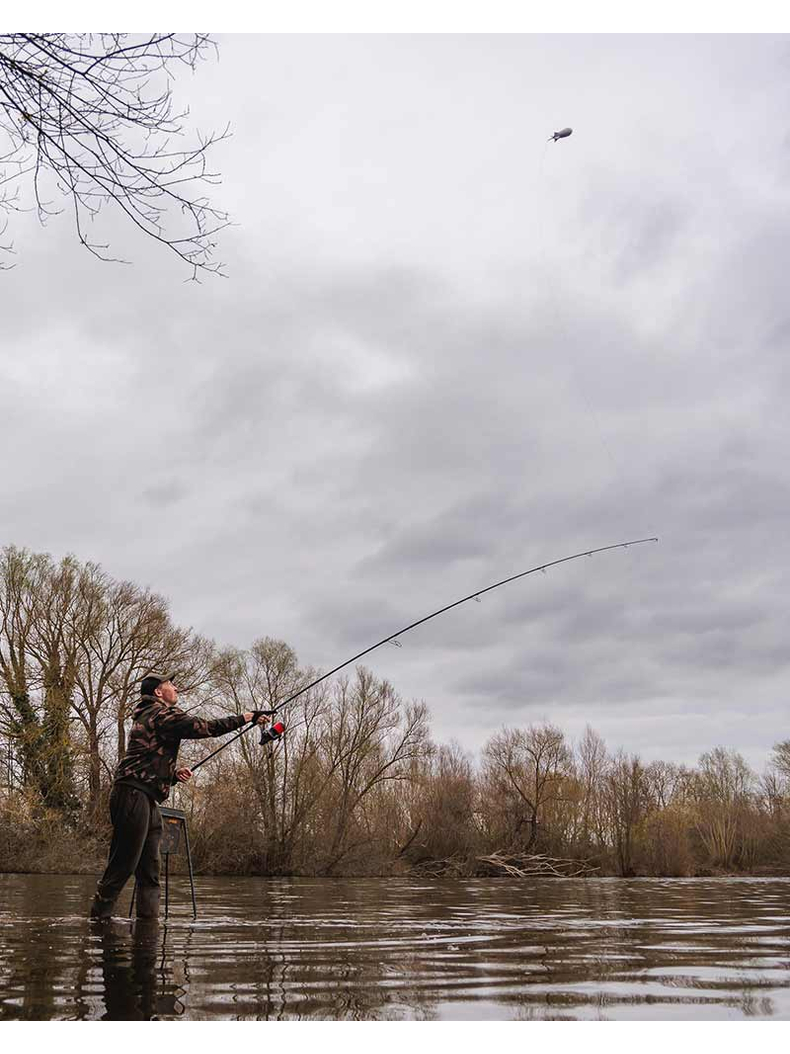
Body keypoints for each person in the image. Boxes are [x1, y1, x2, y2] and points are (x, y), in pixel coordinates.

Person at [90, 671, 268, 920]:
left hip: (145, 798)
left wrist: (172, 775)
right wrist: (246, 717)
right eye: (170, 684)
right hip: (132, 796)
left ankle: (147, 932)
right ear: (158, 692)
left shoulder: (151, 716)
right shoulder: (160, 713)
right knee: (121, 866)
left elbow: (147, 759)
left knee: (150, 872)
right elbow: (206, 727)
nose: (176, 688)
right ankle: (96, 926)